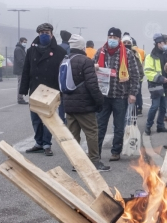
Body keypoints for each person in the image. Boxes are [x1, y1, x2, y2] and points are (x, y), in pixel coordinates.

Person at [62, 34, 110, 172]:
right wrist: (100, 101)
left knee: (73, 135)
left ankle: (75, 163)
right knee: (92, 132)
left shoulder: (65, 60)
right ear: (83, 47)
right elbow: (92, 85)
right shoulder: (85, 61)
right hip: (84, 105)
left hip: (69, 104)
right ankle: (94, 161)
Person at [19, 23, 67, 156]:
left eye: (46, 33)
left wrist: (62, 91)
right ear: (38, 34)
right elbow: (26, 70)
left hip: (51, 90)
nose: (44, 35)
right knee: (35, 118)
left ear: (52, 34)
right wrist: (23, 89)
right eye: (41, 33)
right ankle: (38, 143)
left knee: (48, 119)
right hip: (35, 89)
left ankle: (47, 144)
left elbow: (63, 73)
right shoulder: (31, 51)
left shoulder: (59, 52)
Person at [93, 27, 140, 162]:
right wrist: (94, 66)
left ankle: (115, 152)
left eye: (115, 38)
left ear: (119, 39)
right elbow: (90, 68)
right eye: (110, 37)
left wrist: (132, 93)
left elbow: (135, 75)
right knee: (99, 125)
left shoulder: (128, 54)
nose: (112, 40)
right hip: (103, 96)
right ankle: (96, 153)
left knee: (119, 126)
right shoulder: (100, 52)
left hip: (120, 96)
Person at [143, 33, 167, 136]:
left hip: (165, 85)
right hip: (155, 85)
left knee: (163, 107)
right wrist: (160, 78)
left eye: (164, 42)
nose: (162, 44)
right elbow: (148, 71)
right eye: (160, 43)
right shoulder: (150, 56)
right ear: (156, 44)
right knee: (155, 106)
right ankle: (148, 126)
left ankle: (160, 126)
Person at [13, 37, 27, 104]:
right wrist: (25, 67)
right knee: (20, 84)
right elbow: (20, 60)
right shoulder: (19, 49)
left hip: (21, 69)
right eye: (24, 42)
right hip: (20, 70)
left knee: (21, 84)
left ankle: (20, 97)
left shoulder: (22, 49)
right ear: (21, 42)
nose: (25, 43)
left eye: (26, 42)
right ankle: (20, 98)